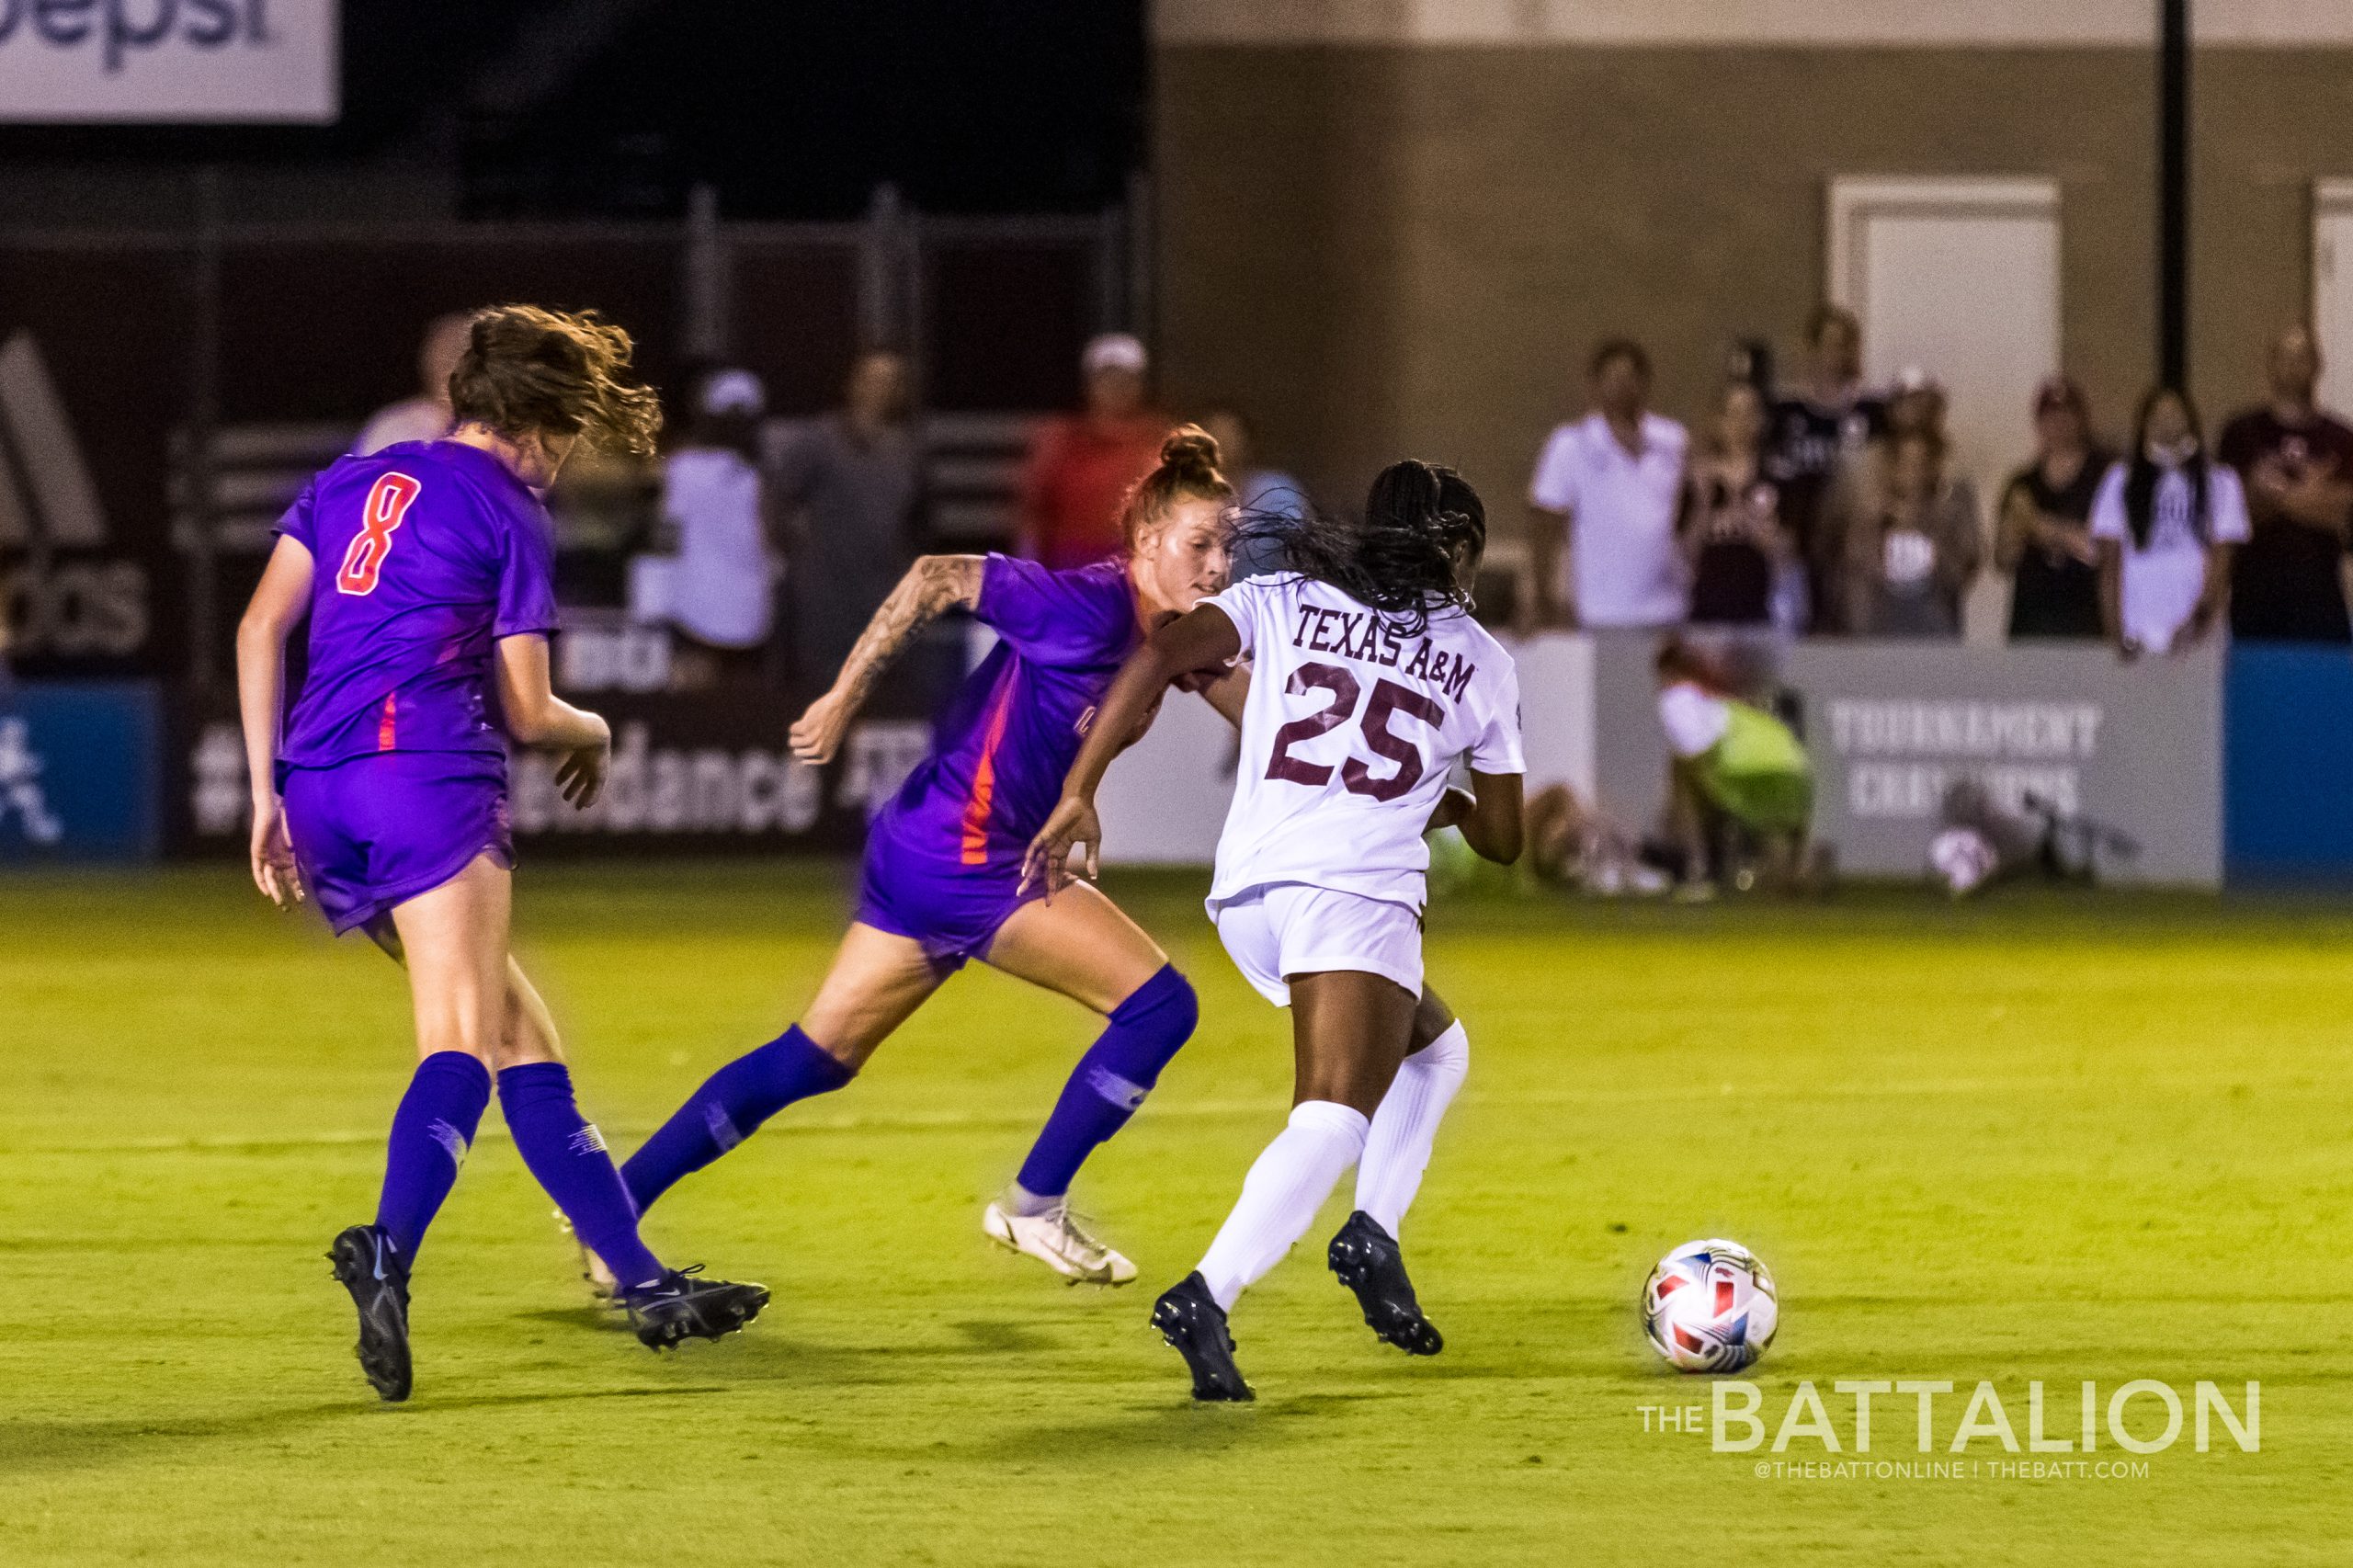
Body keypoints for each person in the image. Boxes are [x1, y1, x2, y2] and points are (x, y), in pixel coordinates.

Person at [235, 305, 769, 1403]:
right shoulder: (510, 510)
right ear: (529, 416)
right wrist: (599, 728)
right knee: (463, 1043)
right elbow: (528, 709)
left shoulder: (354, 477)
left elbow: (259, 629)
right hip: (428, 776)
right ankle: (386, 1248)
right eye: (570, 425)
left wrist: (263, 795)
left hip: (322, 786)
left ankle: (642, 1278)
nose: (571, 450)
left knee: (523, 1034)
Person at [605, 428, 1236, 1290]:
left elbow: (1258, 703)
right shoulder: (1082, 606)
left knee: (813, 1059)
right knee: (1160, 1009)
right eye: (1201, 543)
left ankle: (614, 1207)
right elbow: (937, 574)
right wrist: (840, 697)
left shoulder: (1169, 639)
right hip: (970, 857)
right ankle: (1032, 1205)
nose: (1217, 563)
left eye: (1227, 545)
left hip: (928, 845)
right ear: (1147, 542)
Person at [1028, 460, 1525, 1403]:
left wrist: (1079, 790)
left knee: (1435, 1050)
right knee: (1333, 1114)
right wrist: (1447, 802)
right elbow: (1505, 841)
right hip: (1354, 897)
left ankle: (1370, 1235)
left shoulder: (1288, 595)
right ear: (1455, 547)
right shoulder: (1478, 656)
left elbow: (1163, 651)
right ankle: (1206, 1294)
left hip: (1252, 892)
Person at [776, 348, 922, 687]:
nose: (880, 389)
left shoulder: (908, 450)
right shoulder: (820, 440)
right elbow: (777, 497)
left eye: (891, 381)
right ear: (853, 384)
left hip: (884, 598)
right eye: (873, 379)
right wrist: (792, 554)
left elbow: (918, 522)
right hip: (824, 599)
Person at [1527, 338, 1689, 631]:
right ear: (1595, 384)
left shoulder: (1673, 442)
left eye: (1630, 378)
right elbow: (1544, 525)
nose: (1622, 387)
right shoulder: (1571, 445)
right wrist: (1543, 599)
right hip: (1604, 613)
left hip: (1668, 610)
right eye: (1613, 378)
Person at [2090, 386, 2251, 658]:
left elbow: (2223, 564)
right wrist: (2115, 633)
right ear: (2144, 424)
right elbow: (2109, 566)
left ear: (2191, 421)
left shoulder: (2222, 482)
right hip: (2137, 634)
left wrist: (2198, 623)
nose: (2167, 424)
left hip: (2198, 637)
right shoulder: (2120, 480)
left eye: (2175, 414)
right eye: (2158, 416)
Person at [2219, 324, 2353, 643]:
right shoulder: (2241, 433)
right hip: (2255, 598)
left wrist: (2272, 491)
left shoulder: (2342, 438)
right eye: (2285, 357)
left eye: (2303, 357)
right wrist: (2311, 495)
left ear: (2317, 365)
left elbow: (2344, 516)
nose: (2294, 366)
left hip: (2321, 601)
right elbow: (2233, 517)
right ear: (2271, 364)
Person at [1653, 637, 1817, 896]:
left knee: (1683, 770)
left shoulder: (1679, 698)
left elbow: (1694, 753)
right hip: (1795, 775)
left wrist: (1678, 812)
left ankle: (1703, 869)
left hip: (1744, 774)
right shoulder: (1728, 700)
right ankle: (1792, 870)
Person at [1766, 304, 1887, 628]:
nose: (1837, 355)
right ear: (1813, 349)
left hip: (1851, 551)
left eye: (1845, 345)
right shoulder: (1786, 415)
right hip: (1797, 548)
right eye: (1830, 344)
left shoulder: (1871, 414)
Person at [662, 367, 778, 688]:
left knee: (697, 710)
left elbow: (666, 534)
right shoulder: (764, 476)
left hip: (706, 607)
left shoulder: (681, 468)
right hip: (738, 609)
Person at [1017, 332, 1168, 570]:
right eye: (1107, 378)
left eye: (1126, 379)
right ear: (1089, 384)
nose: (1116, 387)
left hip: (1139, 568)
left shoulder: (1161, 439)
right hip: (1069, 569)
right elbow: (1033, 514)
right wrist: (1028, 574)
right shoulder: (1058, 439)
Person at [1996, 376, 2109, 640]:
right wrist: (2015, 529)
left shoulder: (2103, 476)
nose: (2058, 424)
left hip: (2085, 619)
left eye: (2066, 414)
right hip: (2032, 622)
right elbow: (2003, 559)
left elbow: (2099, 549)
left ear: (2081, 418)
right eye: (2050, 416)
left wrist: (2037, 524)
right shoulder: (2022, 483)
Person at [1839, 427, 1981, 637]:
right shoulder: (1872, 521)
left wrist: (1930, 539)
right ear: (1893, 468)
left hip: (1935, 631)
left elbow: (1962, 576)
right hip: (1882, 632)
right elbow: (1856, 575)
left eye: (1921, 465)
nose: (1914, 473)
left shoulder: (1947, 517)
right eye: (1906, 464)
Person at [1682, 380, 1794, 630]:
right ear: (1718, 421)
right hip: (1706, 612)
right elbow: (1687, 552)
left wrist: (1761, 527)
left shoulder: (1775, 477)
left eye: (1749, 413)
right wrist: (1703, 503)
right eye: (1732, 414)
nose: (1741, 424)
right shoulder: (1700, 478)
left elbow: (1786, 556)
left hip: (1757, 612)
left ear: (1762, 420)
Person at [1199, 404, 1307, 580]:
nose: (1222, 443)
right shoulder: (1189, 501)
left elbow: (1304, 554)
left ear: (1247, 442)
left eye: (1230, 434)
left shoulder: (1277, 492)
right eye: (1214, 435)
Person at [353, 313, 473, 456]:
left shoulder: (497, 431)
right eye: (443, 353)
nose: (451, 363)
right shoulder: (394, 425)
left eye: (460, 351)